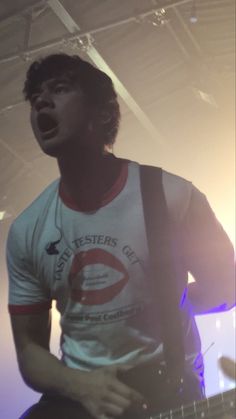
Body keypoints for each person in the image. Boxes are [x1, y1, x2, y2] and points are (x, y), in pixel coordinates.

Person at [7, 53, 235, 419]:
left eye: (60, 89)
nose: (41, 102)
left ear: (101, 113)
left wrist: (156, 306)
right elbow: (30, 352)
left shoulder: (173, 195)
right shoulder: (26, 229)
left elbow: (227, 287)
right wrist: (80, 385)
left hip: (170, 392)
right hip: (79, 398)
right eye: (35, 97)